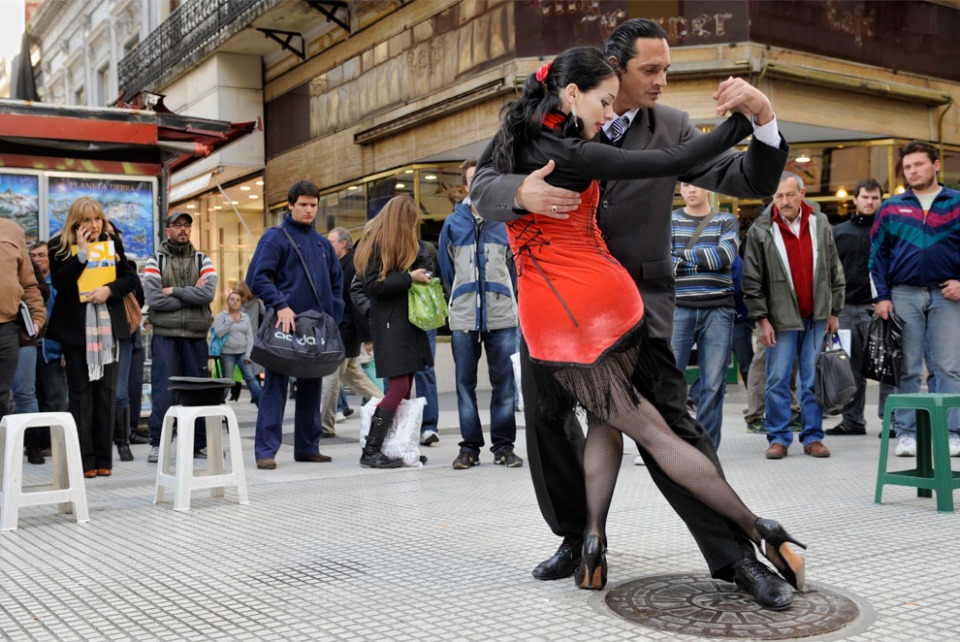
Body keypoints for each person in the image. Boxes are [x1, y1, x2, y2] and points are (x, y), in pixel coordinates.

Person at [471, 21, 794, 609]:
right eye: (650, 69)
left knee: (671, 428)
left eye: (666, 69)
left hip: (634, 311)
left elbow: (747, 179)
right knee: (548, 428)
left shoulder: (668, 125)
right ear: (611, 70)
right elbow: (483, 186)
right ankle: (578, 540)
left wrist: (764, 120)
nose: (662, 80)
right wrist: (521, 194)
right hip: (552, 310)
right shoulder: (539, 122)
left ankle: (738, 558)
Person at [742, 172, 845, 460]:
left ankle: (813, 438)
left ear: (802, 193)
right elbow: (751, 280)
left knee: (811, 381)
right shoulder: (761, 229)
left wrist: (834, 311)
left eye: (789, 195)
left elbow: (834, 269)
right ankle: (778, 438)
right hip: (779, 319)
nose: (784, 201)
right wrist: (762, 319)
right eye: (778, 196)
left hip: (816, 316)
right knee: (777, 380)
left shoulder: (820, 223)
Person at [870, 141, 960, 458]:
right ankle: (907, 434)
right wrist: (881, 297)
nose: (912, 171)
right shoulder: (891, 207)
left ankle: (952, 433)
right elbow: (876, 256)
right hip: (903, 294)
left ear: (936, 165)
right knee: (906, 369)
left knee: (949, 368)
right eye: (907, 167)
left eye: (919, 164)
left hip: (947, 295)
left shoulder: (956, 203)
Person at [246, 180, 343, 470]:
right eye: (303, 204)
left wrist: (332, 318)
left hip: (316, 328)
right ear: (290, 205)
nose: (309, 209)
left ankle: (308, 447)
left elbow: (337, 284)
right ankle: (265, 451)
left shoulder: (323, 244)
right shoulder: (275, 238)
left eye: (313, 205)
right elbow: (256, 277)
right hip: (284, 325)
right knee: (275, 387)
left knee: (312, 385)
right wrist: (280, 304)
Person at [439, 159, 521, 469]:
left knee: (505, 386)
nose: (479, 182)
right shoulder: (452, 224)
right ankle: (469, 449)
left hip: (502, 317)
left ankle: (504, 447)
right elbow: (447, 273)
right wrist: (463, 299)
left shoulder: (506, 222)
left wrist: (505, 298)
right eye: (473, 178)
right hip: (464, 318)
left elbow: (515, 271)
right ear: (465, 185)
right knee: (464, 385)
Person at [47, 197, 138, 477]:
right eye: (87, 220)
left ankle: (103, 460)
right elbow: (61, 284)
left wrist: (109, 290)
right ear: (76, 222)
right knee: (80, 394)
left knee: (106, 394)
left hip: (108, 330)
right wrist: (83, 254)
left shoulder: (111, 242)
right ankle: (84, 462)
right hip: (75, 332)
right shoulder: (58, 245)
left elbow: (130, 278)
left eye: (97, 218)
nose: (94, 225)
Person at [353, 195, 434, 469]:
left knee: (406, 387)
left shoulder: (395, 244)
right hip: (390, 326)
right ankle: (371, 450)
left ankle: (397, 445)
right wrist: (409, 277)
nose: (412, 225)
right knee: (399, 387)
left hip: (403, 324)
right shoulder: (377, 243)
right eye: (410, 220)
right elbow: (372, 286)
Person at [143, 211, 218, 463]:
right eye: (177, 225)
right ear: (168, 230)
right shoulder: (155, 260)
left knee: (198, 392)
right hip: (165, 336)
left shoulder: (203, 259)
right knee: (163, 391)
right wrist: (190, 295)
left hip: (196, 336)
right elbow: (154, 299)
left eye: (187, 225)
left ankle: (200, 444)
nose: (183, 229)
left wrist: (174, 290)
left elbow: (207, 294)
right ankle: (158, 444)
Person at [669, 183, 739, 449]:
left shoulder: (726, 220)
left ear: (708, 188)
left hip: (718, 309)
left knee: (714, 383)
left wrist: (681, 254)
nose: (691, 190)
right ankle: (672, 445)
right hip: (679, 307)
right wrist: (700, 259)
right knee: (671, 380)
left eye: (696, 184)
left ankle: (706, 447)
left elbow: (724, 257)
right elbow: (665, 263)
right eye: (686, 184)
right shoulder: (670, 221)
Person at [825, 178, 883, 437]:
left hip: (878, 308)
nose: (870, 202)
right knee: (850, 369)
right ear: (855, 199)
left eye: (875, 198)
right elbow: (828, 272)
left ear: (880, 200)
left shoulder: (886, 230)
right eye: (865, 197)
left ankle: (892, 422)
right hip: (846, 309)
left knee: (886, 368)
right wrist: (831, 309)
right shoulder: (839, 232)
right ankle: (852, 421)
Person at [319, 227, 382, 437]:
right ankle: (387, 405)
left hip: (345, 334)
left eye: (332, 242)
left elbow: (357, 304)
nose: (328, 246)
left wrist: (368, 337)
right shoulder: (335, 265)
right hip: (339, 333)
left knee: (330, 382)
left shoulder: (352, 267)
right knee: (356, 378)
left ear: (344, 243)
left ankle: (325, 427)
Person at [1, 219, 45, 426]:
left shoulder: (12, 230)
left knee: (3, 395)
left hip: (7, 326)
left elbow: (28, 283)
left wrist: (37, 318)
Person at [27, 241, 66, 464]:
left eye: (41, 255)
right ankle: (38, 443)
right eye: (33, 256)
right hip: (30, 346)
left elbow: (65, 317)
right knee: (33, 397)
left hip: (53, 348)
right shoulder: (27, 282)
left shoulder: (57, 282)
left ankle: (55, 443)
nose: (37, 259)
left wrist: (65, 349)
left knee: (55, 397)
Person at [212, 291, 262, 407]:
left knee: (251, 378)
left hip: (243, 353)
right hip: (227, 354)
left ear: (241, 303)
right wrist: (229, 321)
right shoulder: (221, 317)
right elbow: (218, 334)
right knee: (227, 380)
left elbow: (249, 337)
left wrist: (248, 354)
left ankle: (262, 405)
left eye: (238, 300)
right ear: (227, 301)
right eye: (232, 299)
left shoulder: (245, 317)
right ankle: (217, 404)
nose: (235, 302)